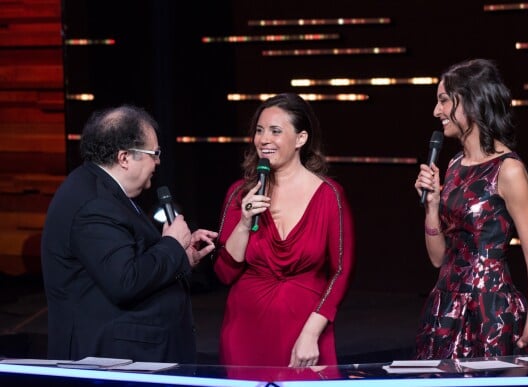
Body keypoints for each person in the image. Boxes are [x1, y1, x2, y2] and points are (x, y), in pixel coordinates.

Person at [41, 104, 218, 363]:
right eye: (154, 153)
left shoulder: (103, 191)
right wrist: (170, 244)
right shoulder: (94, 203)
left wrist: (180, 254)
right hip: (113, 361)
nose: (158, 161)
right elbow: (126, 281)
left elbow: (129, 260)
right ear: (124, 158)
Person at [413, 59, 528, 359]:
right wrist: (432, 207)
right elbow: (438, 259)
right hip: (444, 308)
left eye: (444, 101)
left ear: (471, 102)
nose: (437, 111)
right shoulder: (452, 166)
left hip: (489, 310)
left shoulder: (508, 170)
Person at [213, 93, 355, 369]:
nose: (264, 139)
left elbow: (341, 272)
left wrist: (312, 333)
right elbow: (223, 272)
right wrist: (243, 222)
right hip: (245, 331)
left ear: (300, 139)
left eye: (275, 131)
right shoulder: (239, 194)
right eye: (259, 131)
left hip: (305, 330)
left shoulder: (330, 196)